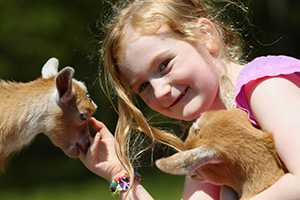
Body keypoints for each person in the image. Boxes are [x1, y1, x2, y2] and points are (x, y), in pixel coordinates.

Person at [78, 0, 300, 199]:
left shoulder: (265, 87)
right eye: (143, 86)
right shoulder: (206, 135)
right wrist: (118, 175)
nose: (159, 91)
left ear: (205, 35)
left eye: (164, 65)